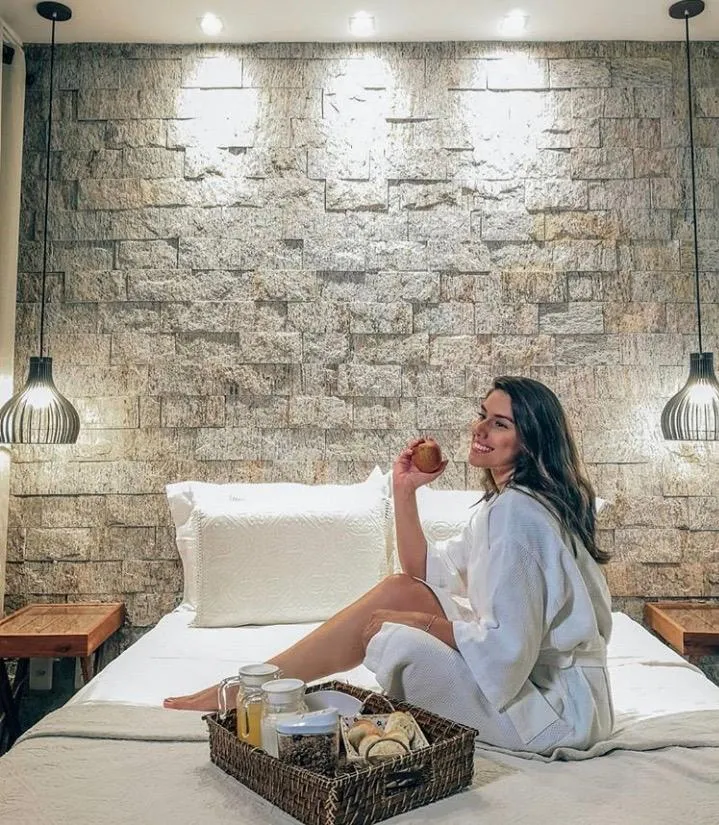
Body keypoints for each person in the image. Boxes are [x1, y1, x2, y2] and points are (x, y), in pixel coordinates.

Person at [164, 375, 614, 755]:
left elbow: (506, 652)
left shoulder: (518, 514)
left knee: (397, 641)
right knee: (402, 590)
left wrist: (418, 623)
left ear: (531, 440)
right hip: (553, 692)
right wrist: (405, 489)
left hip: (555, 715)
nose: (479, 429)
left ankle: (251, 689)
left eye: (500, 424)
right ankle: (255, 687)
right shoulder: (510, 505)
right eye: (483, 415)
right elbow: (422, 573)